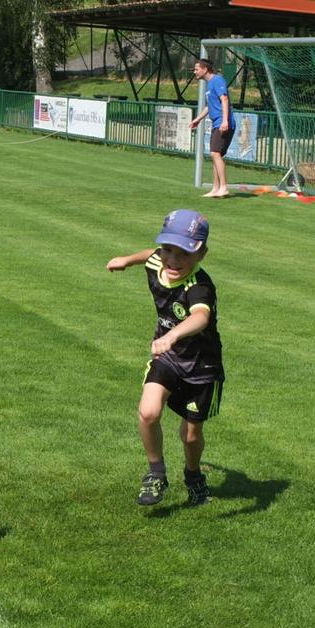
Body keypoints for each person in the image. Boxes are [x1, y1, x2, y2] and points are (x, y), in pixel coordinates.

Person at [105, 210, 224, 507]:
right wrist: (127, 260)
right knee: (148, 412)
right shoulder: (159, 260)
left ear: (201, 254)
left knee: (190, 435)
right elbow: (150, 254)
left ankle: (193, 475)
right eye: (169, 249)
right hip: (168, 357)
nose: (173, 259)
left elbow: (200, 318)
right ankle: (156, 473)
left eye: (184, 253)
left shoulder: (200, 286)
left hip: (201, 366)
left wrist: (172, 335)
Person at [190, 58, 235, 198]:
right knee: (217, 155)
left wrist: (225, 121)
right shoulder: (209, 85)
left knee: (215, 153)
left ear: (205, 70)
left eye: (197, 69)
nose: (194, 72)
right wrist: (197, 119)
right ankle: (215, 188)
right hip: (217, 123)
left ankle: (223, 187)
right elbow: (209, 106)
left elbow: (224, 99)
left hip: (222, 123)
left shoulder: (218, 80)